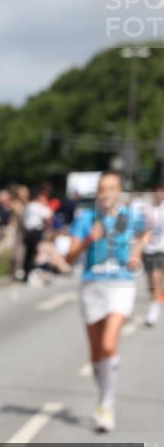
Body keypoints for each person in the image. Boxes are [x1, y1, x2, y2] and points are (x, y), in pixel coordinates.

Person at [66, 170, 148, 433]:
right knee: (96, 354)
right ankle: (103, 399)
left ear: (119, 191)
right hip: (92, 286)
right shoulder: (86, 218)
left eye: (112, 188)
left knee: (109, 344)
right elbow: (69, 257)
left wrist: (136, 253)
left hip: (121, 284)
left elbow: (146, 232)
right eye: (103, 188)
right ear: (98, 193)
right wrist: (90, 238)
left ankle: (107, 405)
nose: (107, 193)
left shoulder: (130, 216)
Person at [142, 182, 164, 326]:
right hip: (148, 249)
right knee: (150, 282)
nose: (159, 194)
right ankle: (155, 300)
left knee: (156, 276)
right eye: (157, 191)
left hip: (162, 248)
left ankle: (155, 308)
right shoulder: (147, 209)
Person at [22, 183, 53, 284]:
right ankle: (33, 273)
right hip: (36, 232)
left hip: (28, 232)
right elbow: (49, 215)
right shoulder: (38, 206)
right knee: (36, 253)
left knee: (29, 254)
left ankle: (27, 273)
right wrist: (45, 204)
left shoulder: (29, 206)